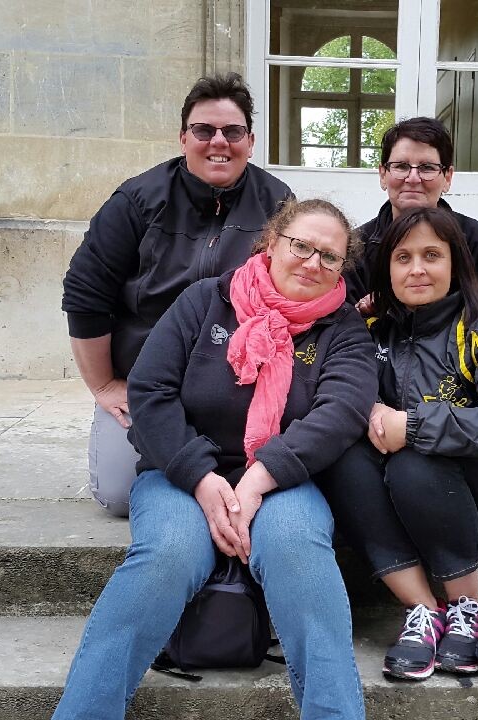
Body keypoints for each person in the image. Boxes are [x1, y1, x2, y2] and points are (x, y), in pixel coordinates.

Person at [52, 199, 376, 719]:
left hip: (282, 480)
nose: (313, 263)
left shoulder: (342, 330)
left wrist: (255, 483)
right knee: (166, 556)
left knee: (300, 554)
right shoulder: (205, 301)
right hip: (180, 476)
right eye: (301, 246)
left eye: (330, 257)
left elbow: (340, 414)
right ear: (271, 243)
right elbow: (151, 392)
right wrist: (203, 480)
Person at [318, 206, 478, 682]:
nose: (417, 268)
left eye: (431, 256)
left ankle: (467, 602)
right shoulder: (372, 330)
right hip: (401, 498)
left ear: (455, 264)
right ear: (387, 273)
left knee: (414, 460)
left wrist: (414, 424)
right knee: (344, 460)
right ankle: (422, 609)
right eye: (402, 258)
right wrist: (368, 413)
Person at [62, 72, 293, 517]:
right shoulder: (137, 200)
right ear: (184, 137)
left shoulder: (277, 203)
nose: (218, 142)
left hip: (234, 381)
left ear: (251, 139)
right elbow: (85, 292)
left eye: (233, 132)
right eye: (204, 130)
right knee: (118, 496)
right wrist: (105, 384)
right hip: (148, 380)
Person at [345, 116, 478, 442]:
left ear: (448, 177)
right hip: (386, 374)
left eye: (428, 168)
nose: (413, 178)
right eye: (401, 166)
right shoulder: (358, 245)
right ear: (382, 174)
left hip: (460, 376)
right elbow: (345, 331)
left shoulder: (474, 237)